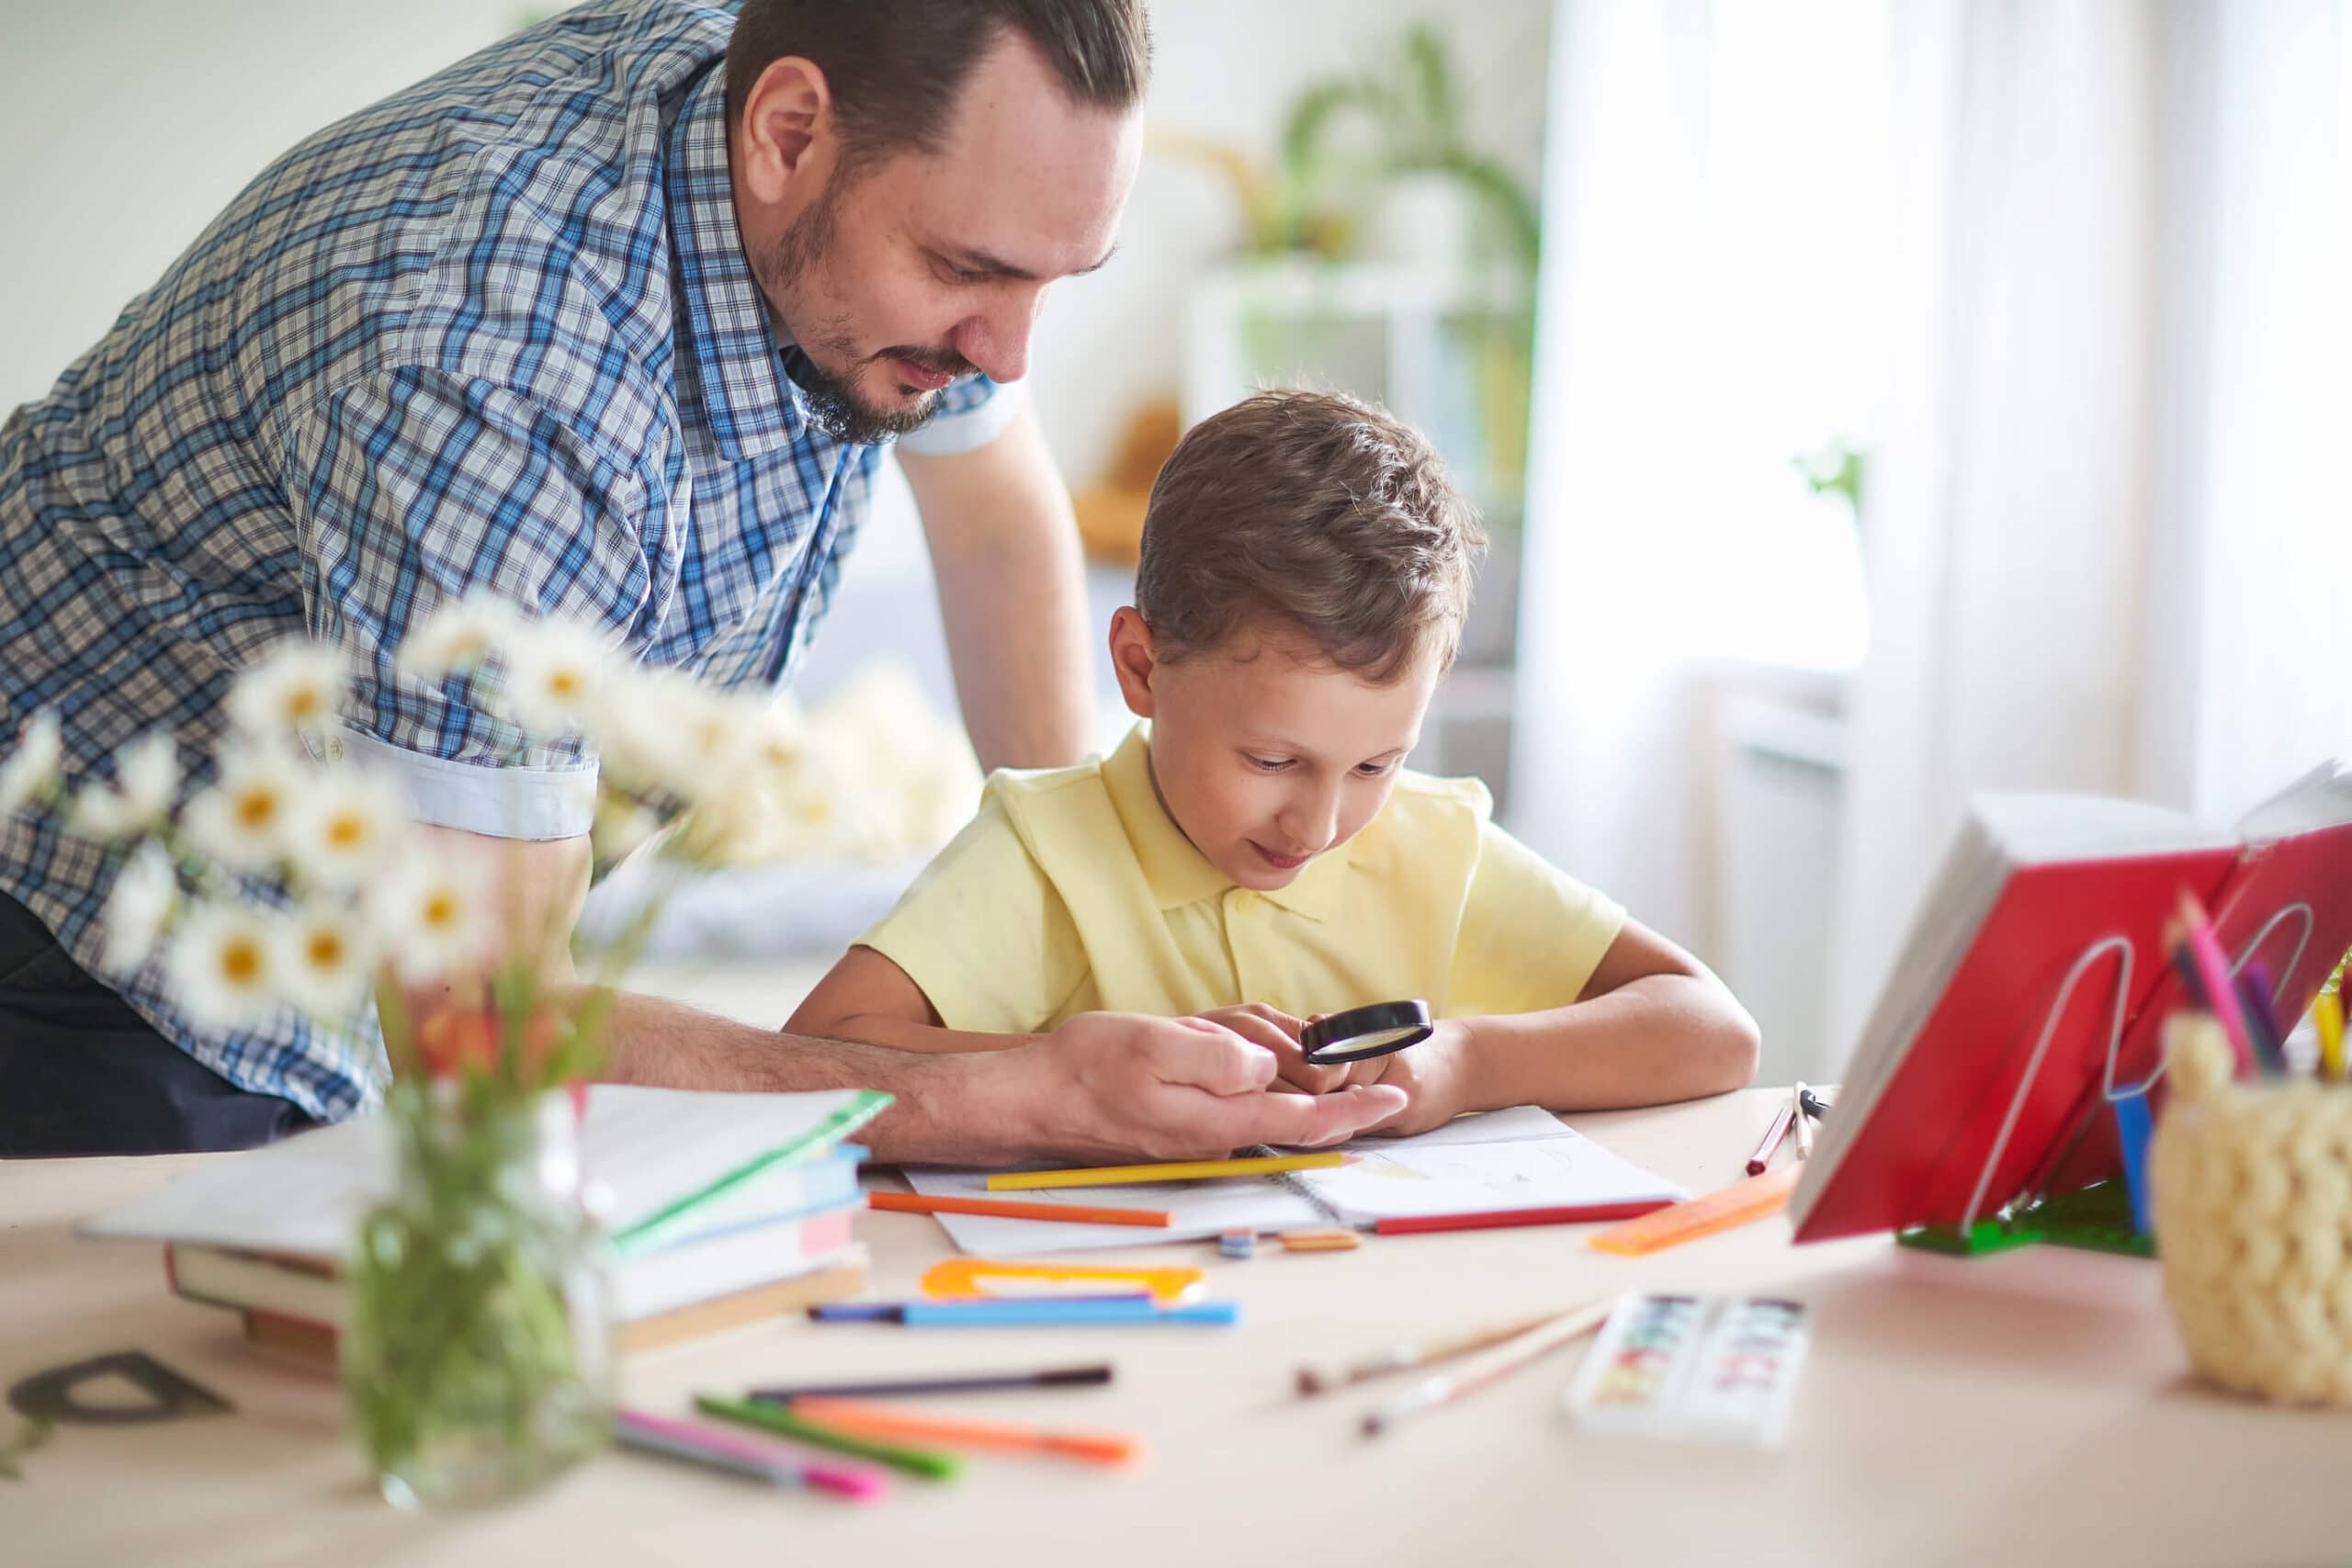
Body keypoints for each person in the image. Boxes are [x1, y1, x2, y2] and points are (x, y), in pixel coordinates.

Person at [0, 0, 1408, 1163]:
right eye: (969, 271)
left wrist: (1106, 909)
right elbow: (480, 1027)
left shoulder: (873, 137)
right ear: (787, 134)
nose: (1011, 352)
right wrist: (1013, 1093)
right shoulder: (497, 368)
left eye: (1057, 280)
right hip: (86, 920)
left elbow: (990, 521)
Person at [789, 390, 1762, 1133]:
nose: (1319, 823)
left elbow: (1711, 1031)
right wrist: (1063, 1069)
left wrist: (1467, 1064)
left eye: (1376, 765)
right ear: (1140, 666)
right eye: (1270, 758)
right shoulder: (1045, 849)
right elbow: (810, 1061)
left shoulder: (1433, 844)